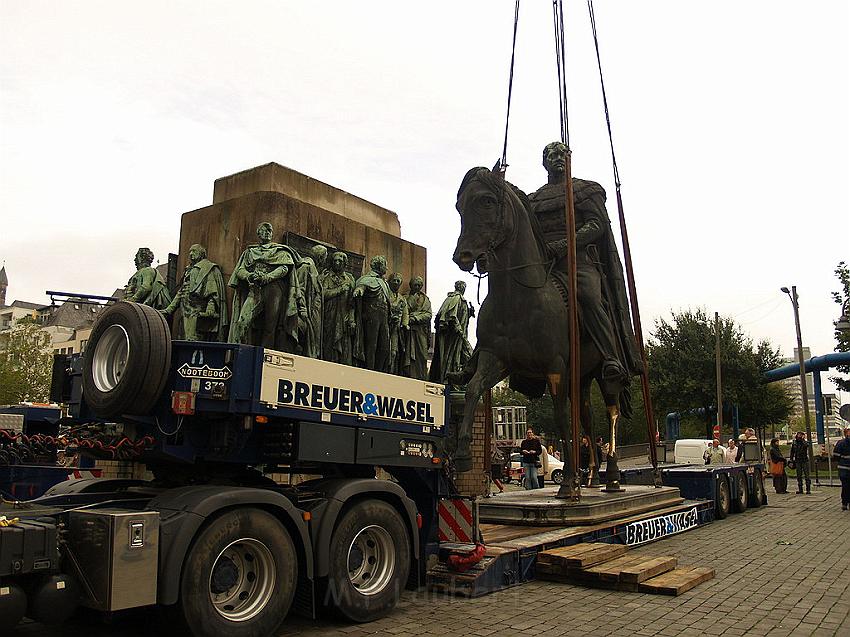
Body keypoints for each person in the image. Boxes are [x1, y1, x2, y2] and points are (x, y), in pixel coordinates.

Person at [528, 141, 641, 385]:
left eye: (563, 154)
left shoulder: (585, 190)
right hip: (544, 265)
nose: (558, 158)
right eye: (552, 155)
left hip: (578, 263)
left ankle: (611, 357)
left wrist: (563, 245)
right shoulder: (534, 200)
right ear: (544, 162)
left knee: (590, 296)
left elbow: (596, 225)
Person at [228, 222, 302, 350]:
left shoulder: (279, 251)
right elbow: (240, 270)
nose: (268, 233)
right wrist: (249, 276)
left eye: (270, 231)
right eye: (264, 230)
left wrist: (268, 277)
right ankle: (241, 352)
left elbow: (284, 268)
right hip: (254, 289)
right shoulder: (250, 252)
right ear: (258, 234)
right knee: (242, 322)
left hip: (273, 290)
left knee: (270, 325)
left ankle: (265, 353)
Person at [162, 244, 227, 341]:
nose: (191, 254)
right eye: (190, 252)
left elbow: (212, 292)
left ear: (201, 253)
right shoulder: (189, 269)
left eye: (194, 251)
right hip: (185, 309)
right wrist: (169, 309)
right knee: (184, 338)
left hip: (197, 310)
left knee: (193, 339)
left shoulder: (207, 268)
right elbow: (181, 292)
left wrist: (211, 308)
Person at [429, 281, 474, 384]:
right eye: (463, 286)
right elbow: (451, 316)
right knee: (453, 357)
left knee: (461, 356)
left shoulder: (459, 299)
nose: (463, 288)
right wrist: (458, 329)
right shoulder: (456, 298)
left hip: (458, 335)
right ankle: (449, 380)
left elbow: (458, 314)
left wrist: (469, 312)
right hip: (453, 335)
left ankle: (454, 379)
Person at [353, 255, 391, 372]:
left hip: (383, 317)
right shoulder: (367, 278)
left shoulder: (385, 283)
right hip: (371, 316)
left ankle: (379, 371)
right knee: (371, 345)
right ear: (379, 265)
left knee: (384, 347)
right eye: (385, 265)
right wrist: (359, 290)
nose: (387, 268)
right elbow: (361, 286)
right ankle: (369, 370)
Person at [320, 251, 356, 365]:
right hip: (329, 316)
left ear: (344, 263)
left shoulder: (349, 279)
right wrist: (339, 290)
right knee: (329, 345)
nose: (337, 263)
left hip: (344, 317)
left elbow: (352, 303)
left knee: (345, 348)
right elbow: (323, 294)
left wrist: (352, 320)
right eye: (335, 260)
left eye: (340, 261)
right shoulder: (326, 276)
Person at [403, 276, 432, 380]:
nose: (417, 287)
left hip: (421, 332)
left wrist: (415, 317)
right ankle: (409, 375)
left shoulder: (425, 300)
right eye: (415, 285)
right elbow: (404, 311)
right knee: (408, 354)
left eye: (419, 285)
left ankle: (422, 376)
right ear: (411, 286)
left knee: (423, 355)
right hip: (409, 331)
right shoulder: (405, 298)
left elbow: (428, 315)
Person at [387, 273, 409, 375]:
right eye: (394, 280)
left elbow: (405, 313)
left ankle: (392, 373)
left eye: (398, 281)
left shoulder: (402, 298)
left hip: (396, 329)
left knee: (394, 352)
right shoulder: (386, 293)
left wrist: (405, 324)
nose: (396, 283)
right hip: (386, 326)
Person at [832, 426, 850, 510]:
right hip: (844, 468)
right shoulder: (841, 443)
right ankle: (846, 503)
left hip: (843, 468)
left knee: (845, 486)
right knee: (846, 486)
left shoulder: (840, 443)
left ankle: (845, 503)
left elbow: (835, 456)